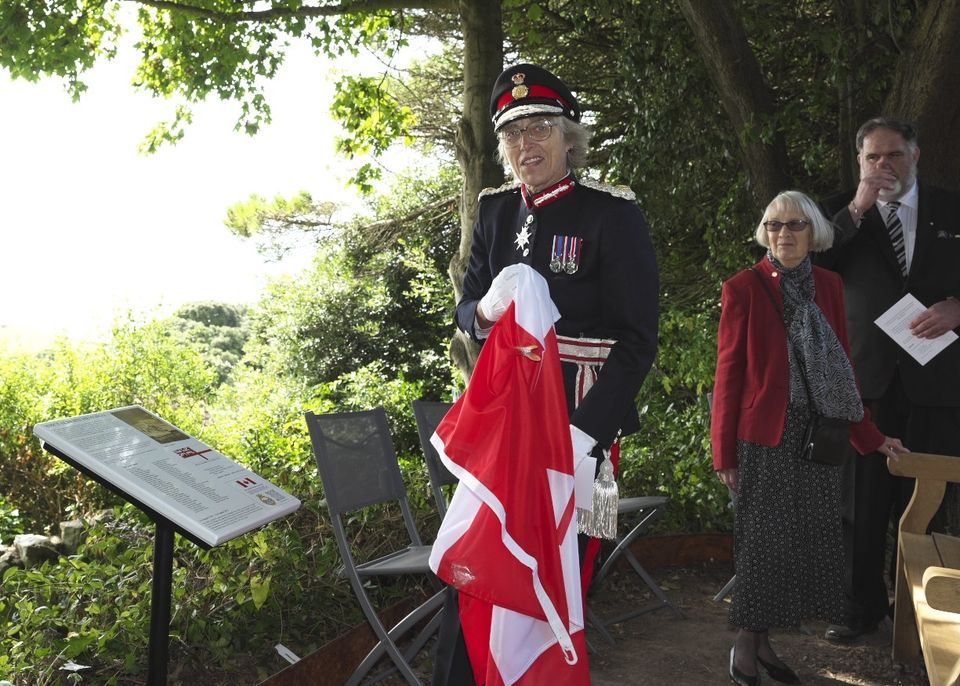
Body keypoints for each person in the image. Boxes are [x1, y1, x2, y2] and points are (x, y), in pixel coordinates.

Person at [433, 62, 659, 685]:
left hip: (581, 428)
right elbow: (466, 307)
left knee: (560, 580)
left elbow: (639, 340)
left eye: (539, 128)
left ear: (568, 138)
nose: (525, 144)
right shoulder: (495, 210)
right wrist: (479, 310)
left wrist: (585, 436)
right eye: (512, 133)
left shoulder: (611, 215)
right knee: (476, 566)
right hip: (503, 429)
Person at [711, 190, 907, 686]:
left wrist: (872, 435)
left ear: (814, 232)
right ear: (765, 233)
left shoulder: (830, 284)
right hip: (765, 435)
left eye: (795, 225)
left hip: (821, 436)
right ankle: (744, 647)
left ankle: (763, 644)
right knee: (762, 543)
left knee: (798, 544)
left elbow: (841, 367)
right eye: (775, 226)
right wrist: (724, 452)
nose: (784, 234)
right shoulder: (744, 288)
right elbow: (728, 374)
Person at [816, 116, 960, 642]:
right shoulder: (837, 213)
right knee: (860, 501)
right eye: (873, 158)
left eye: (894, 156)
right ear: (859, 162)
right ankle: (860, 609)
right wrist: (855, 208)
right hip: (864, 381)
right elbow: (808, 267)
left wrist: (957, 308)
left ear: (915, 156)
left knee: (929, 498)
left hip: (938, 381)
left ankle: (923, 606)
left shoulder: (951, 207)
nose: (884, 167)